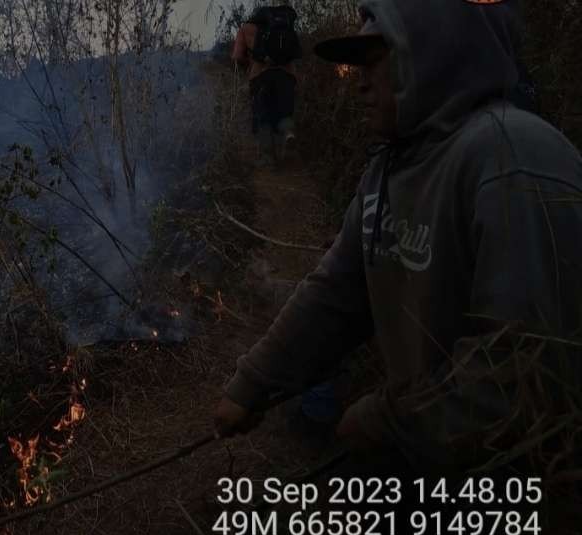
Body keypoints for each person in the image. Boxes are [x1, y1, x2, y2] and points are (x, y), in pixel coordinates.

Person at [214, 0, 582, 477]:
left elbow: (526, 373)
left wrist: (387, 420)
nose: (359, 80)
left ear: (431, 51)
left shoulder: (511, 159)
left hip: (512, 499)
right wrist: (251, 383)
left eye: (375, 58)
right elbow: (337, 292)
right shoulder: (389, 168)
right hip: (428, 462)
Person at [231, 5, 301, 167]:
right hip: (287, 76)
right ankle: (288, 134)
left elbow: (237, 57)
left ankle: (267, 157)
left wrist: (248, 64)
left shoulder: (246, 29)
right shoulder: (286, 26)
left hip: (260, 77)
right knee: (285, 111)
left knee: (263, 116)